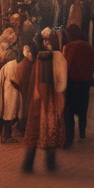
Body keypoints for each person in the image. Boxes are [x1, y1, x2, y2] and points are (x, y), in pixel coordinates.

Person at [22, 44, 67, 173]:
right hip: (50, 105)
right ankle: (50, 164)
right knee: (50, 132)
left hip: (36, 105)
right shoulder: (53, 65)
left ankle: (28, 165)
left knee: (34, 135)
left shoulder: (36, 66)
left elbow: (29, 87)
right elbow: (60, 85)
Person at [62, 24, 94, 148]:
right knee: (83, 110)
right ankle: (82, 134)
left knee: (69, 112)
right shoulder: (88, 47)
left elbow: (65, 63)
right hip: (85, 84)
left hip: (72, 83)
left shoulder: (68, 47)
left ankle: (69, 139)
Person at [0, 49, 24, 144]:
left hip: (7, 91)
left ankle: (5, 136)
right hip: (11, 91)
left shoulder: (7, 65)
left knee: (8, 113)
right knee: (10, 114)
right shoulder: (14, 64)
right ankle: (7, 137)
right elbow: (15, 80)